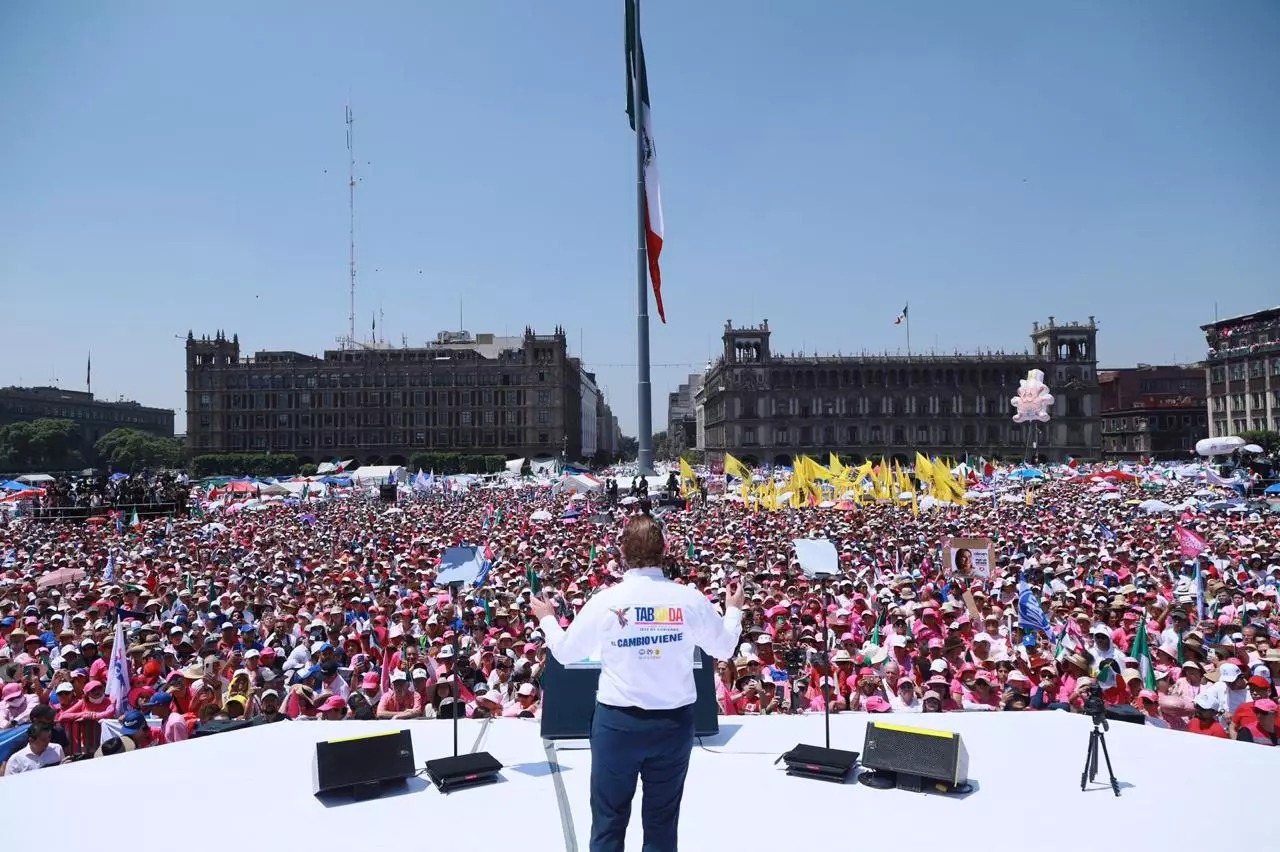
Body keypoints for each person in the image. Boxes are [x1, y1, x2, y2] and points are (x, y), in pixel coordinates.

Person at [532, 514, 744, 852]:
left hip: (618, 726)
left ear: (621, 552)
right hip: (673, 725)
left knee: (608, 821)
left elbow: (567, 653)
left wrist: (547, 620)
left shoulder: (607, 601)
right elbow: (724, 648)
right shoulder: (688, 599)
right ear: (666, 549)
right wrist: (733, 611)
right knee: (662, 822)